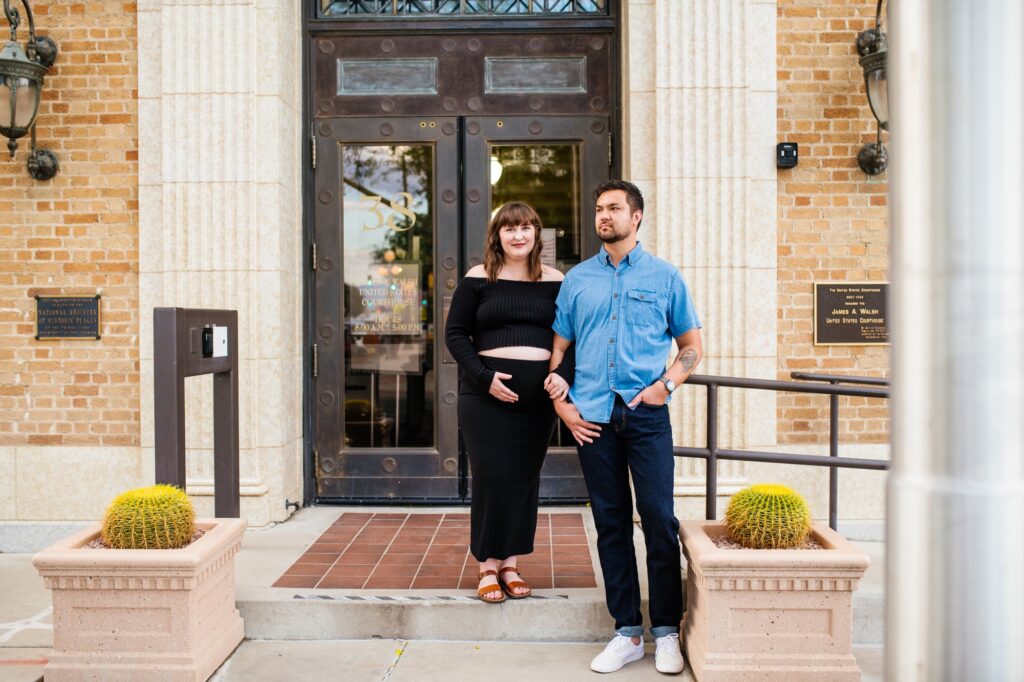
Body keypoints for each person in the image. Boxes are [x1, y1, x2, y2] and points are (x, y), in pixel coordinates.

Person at [544, 180, 702, 674]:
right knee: (610, 524)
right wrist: (561, 404)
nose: (604, 216)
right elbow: (560, 351)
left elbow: (692, 347)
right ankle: (627, 632)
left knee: (658, 519)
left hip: (647, 414)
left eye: (614, 208)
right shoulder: (577, 280)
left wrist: (666, 387)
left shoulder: (665, 278)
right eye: (598, 209)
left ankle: (666, 632)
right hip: (592, 417)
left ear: (637, 217)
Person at [444, 201, 573, 604]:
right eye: (509, 228)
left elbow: (572, 337)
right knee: (491, 476)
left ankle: (511, 563)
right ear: (497, 236)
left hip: (536, 400)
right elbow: (455, 335)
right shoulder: (477, 279)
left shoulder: (556, 281)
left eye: (525, 227)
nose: (518, 235)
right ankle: (486, 565)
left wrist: (562, 376)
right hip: (484, 398)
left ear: (537, 233)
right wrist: (484, 379)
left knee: (522, 478)